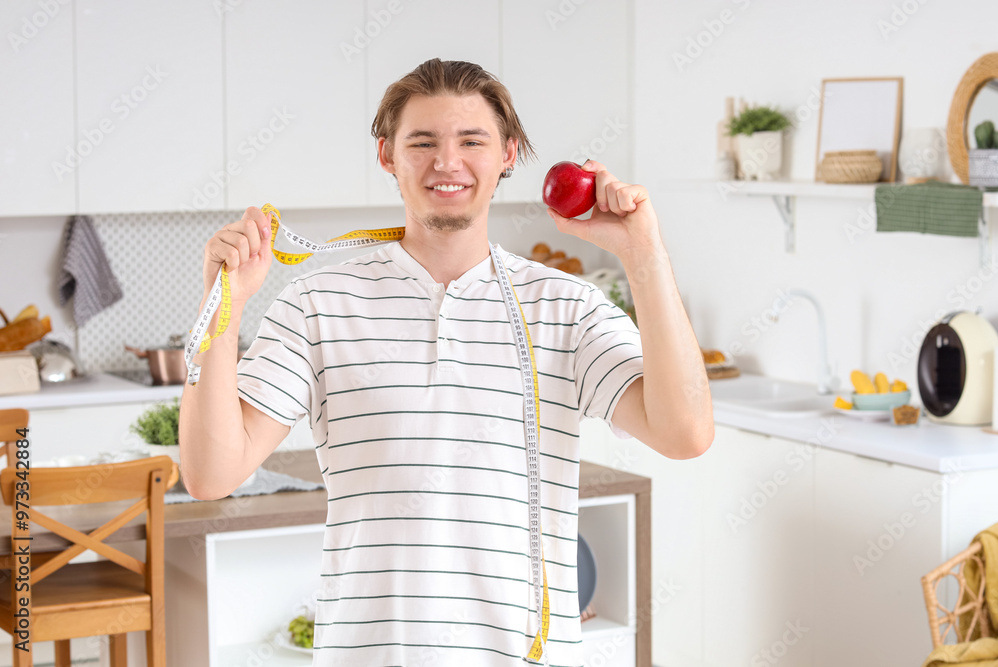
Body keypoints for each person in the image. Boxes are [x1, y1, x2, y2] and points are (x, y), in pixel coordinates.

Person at [180, 58, 713, 667]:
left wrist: (641, 250)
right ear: (387, 156)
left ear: (508, 153)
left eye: (472, 141)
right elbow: (210, 475)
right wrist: (221, 308)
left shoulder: (565, 306)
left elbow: (686, 433)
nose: (447, 162)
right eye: (423, 142)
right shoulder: (316, 304)